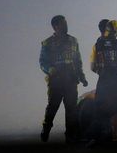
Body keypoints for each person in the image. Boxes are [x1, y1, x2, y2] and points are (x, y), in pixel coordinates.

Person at [39, 15, 88, 143]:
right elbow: (42, 61)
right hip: (56, 81)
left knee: (71, 108)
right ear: (55, 26)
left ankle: (70, 136)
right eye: (63, 23)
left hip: (71, 80)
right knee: (52, 107)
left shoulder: (73, 41)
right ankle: (46, 128)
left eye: (66, 23)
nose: (66, 25)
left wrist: (82, 77)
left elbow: (78, 61)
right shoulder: (47, 43)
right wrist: (50, 69)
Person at [87, 20, 117, 145]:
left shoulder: (96, 46)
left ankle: (98, 139)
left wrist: (102, 72)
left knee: (100, 110)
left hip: (103, 81)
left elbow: (92, 67)